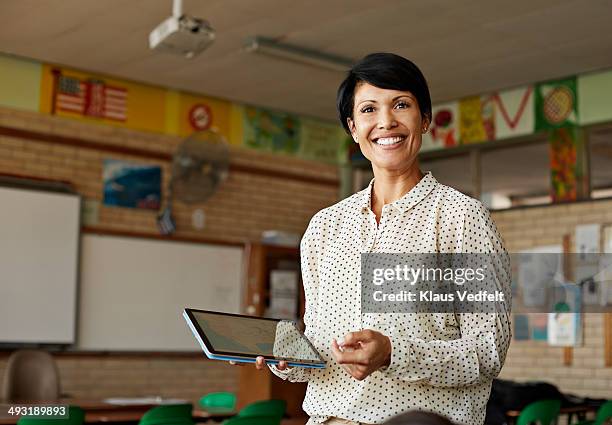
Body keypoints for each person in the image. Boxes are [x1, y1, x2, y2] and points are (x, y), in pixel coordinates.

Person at [248, 52, 512, 425]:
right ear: (353, 128)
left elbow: (488, 351)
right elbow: (321, 349)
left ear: (424, 120)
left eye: (400, 105)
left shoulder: (462, 217)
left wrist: (393, 353)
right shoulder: (324, 227)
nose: (386, 122)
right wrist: (290, 359)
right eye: (369, 109)